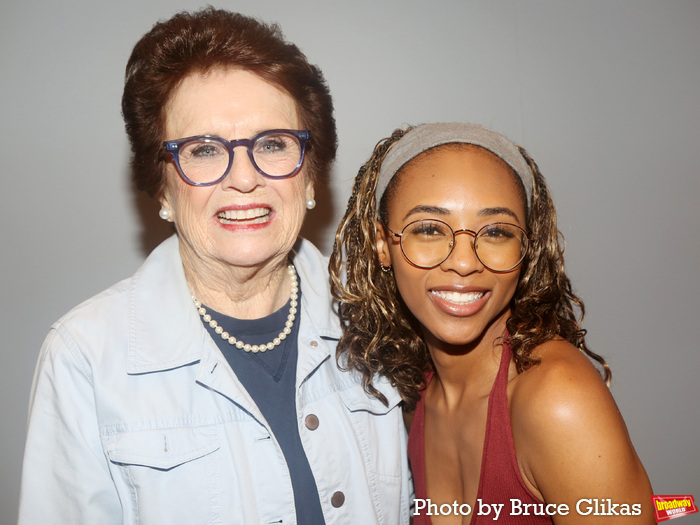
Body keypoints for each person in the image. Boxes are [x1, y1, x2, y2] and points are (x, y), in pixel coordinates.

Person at [18, 8, 411, 524]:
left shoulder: (380, 321)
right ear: (162, 188)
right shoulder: (85, 358)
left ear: (312, 179)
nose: (243, 179)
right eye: (203, 150)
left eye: (273, 144)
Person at [330, 123, 654, 524]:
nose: (465, 262)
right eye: (429, 229)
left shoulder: (557, 401)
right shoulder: (416, 398)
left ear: (527, 247)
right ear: (382, 244)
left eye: (497, 232)